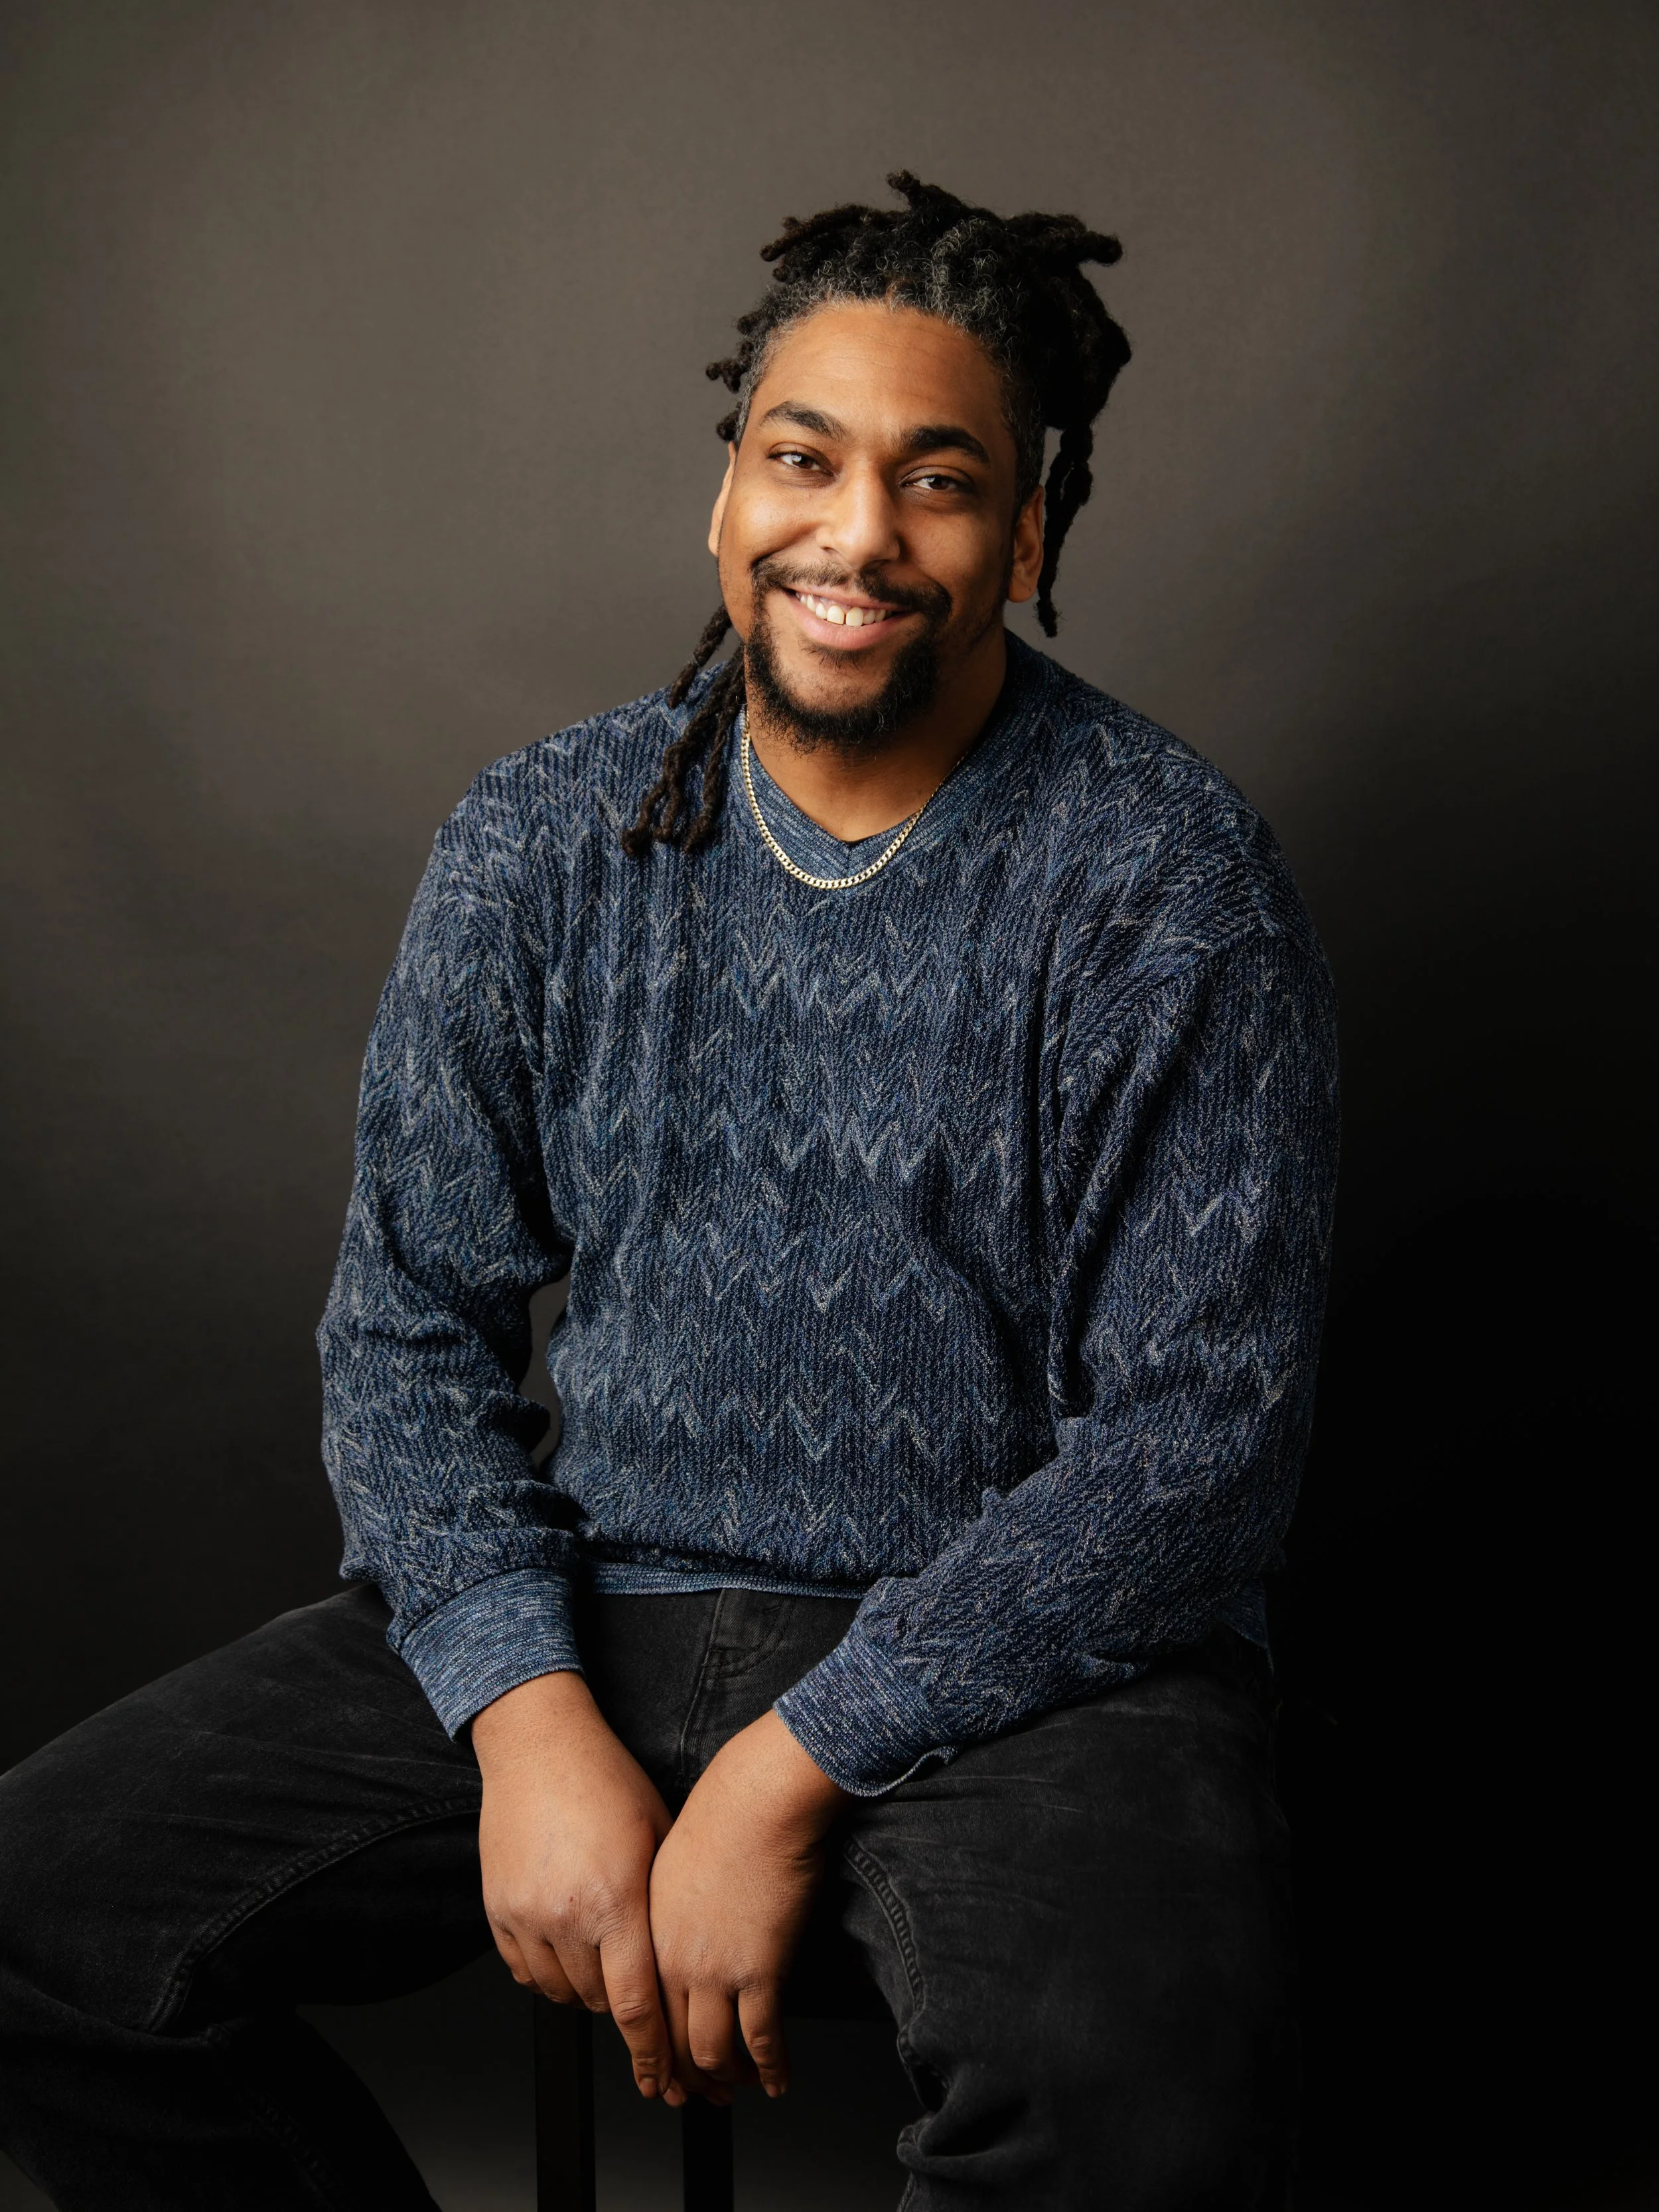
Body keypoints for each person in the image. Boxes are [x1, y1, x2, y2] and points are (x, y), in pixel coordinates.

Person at [0, 173, 1338, 2209]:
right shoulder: (543, 839)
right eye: (801, 459)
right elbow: (405, 1332)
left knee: (1128, 2090)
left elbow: (1194, 1450)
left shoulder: (1169, 880)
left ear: (1026, 535)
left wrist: (793, 1767)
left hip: (1028, 1664)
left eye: (936, 480)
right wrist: (526, 1716)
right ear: (725, 493)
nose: (855, 532)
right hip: (601, 1607)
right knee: (38, 1914)